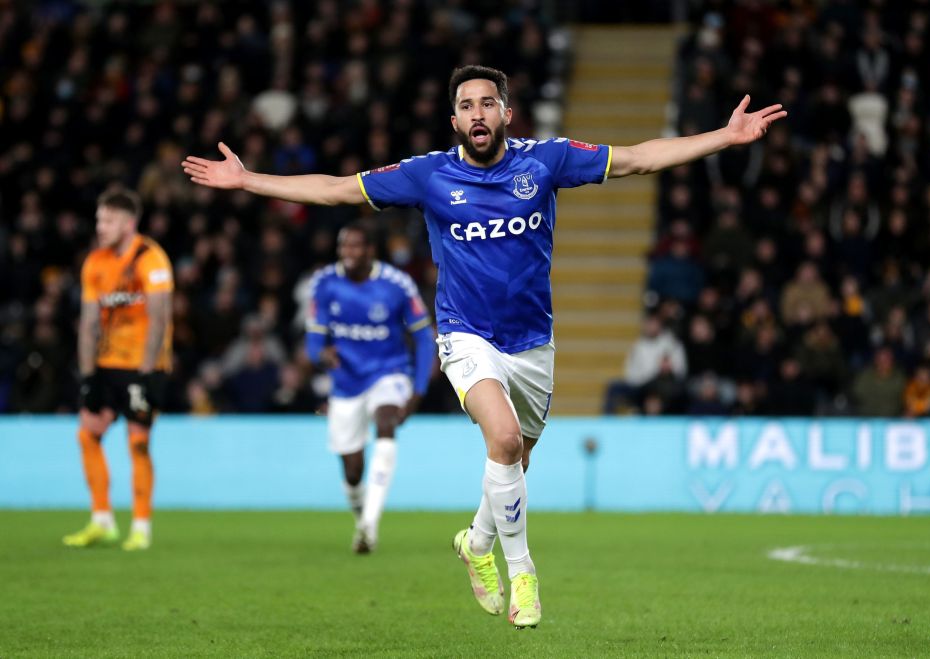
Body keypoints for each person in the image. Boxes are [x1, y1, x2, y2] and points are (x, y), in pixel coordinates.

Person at [182, 65, 785, 628]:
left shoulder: (545, 162)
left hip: (532, 345)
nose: (477, 112)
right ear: (453, 120)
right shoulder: (430, 174)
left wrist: (723, 139)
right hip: (465, 336)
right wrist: (248, 180)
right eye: (466, 105)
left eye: (487, 103)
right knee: (501, 439)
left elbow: (636, 159)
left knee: (515, 464)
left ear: (506, 113)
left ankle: (475, 543)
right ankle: (523, 575)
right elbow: (339, 189)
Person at [305, 223, 435, 554]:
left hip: (388, 372)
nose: (349, 253)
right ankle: (361, 515)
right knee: (351, 471)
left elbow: (423, 338)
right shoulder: (324, 284)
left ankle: (369, 526)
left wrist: (417, 391)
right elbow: (313, 341)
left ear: (370, 251)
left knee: (387, 421)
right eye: (343, 246)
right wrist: (322, 355)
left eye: (356, 246)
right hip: (346, 382)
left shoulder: (396, 285)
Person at [63, 188, 174, 551]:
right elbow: (88, 323)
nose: (100, 226)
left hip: (144, 365)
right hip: (107, 365)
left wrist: (144, 376)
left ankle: (141, 526)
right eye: (99, 219)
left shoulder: (151, 258)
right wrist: (88, 376)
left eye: (108, 220)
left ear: (129, 223)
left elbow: (158, 320)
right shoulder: (95, 262)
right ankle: (102, 520)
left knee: (138, 443)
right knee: (87, 433)